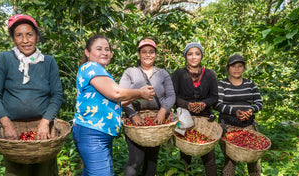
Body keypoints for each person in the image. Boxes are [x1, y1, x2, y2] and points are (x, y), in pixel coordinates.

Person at [0, 14, 64, 175]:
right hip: (14, 131)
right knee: (16, 171)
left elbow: (57, 95)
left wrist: (45, 122)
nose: (25, 40)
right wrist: (6, 125)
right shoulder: (4, 59)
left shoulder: (48, 62)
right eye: (19, 35)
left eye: (29, 34)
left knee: (45, 171)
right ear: (13, 39)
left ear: (37, 36)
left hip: (43, 132)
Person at [72, 35, 155, 176]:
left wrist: (135, 96)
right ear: (87, 52)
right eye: (99, 49)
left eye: (107, 49)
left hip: (100, 133)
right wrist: (140, 93)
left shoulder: (101, 72)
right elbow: (115, 93)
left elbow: (117, 101)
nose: (105, 52)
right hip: (92, 132)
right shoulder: (90, 67)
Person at [119, 39, 176, 176]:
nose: (148, 55)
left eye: (151, 52)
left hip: (157, 123)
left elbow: (171, 96)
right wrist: (133, 115)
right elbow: (122, 94)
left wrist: (163, 110)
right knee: (135, 160)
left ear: (156, 54)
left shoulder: (163, 73)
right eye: (144, 52)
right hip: (135, 122)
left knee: (152, 160)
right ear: (138, 54)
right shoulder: (130, 72)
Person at [171, 42, 218, 176]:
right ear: (185, 56)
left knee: (209, 157)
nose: (193, 57)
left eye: (197, 54)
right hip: (184, 119)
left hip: (205, 120)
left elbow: (214, 97)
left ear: (202, 56)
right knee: (185, 156)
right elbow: (173, 96)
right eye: (190, 54)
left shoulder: (209, 74)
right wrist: (188, 105)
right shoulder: (179, 74)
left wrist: (203, 104)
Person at [215, 54, 263, 176]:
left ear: (244, 68)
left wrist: (251, 110)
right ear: (228, 68)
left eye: (240, 66)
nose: (236, 69)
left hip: (248, 125)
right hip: (228, 126)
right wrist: (234, 112)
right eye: (233, 66)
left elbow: (259, 102)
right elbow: (217, 104)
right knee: (230, 160)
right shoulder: (222, 84)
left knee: (253, 158)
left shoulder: (250, 84)